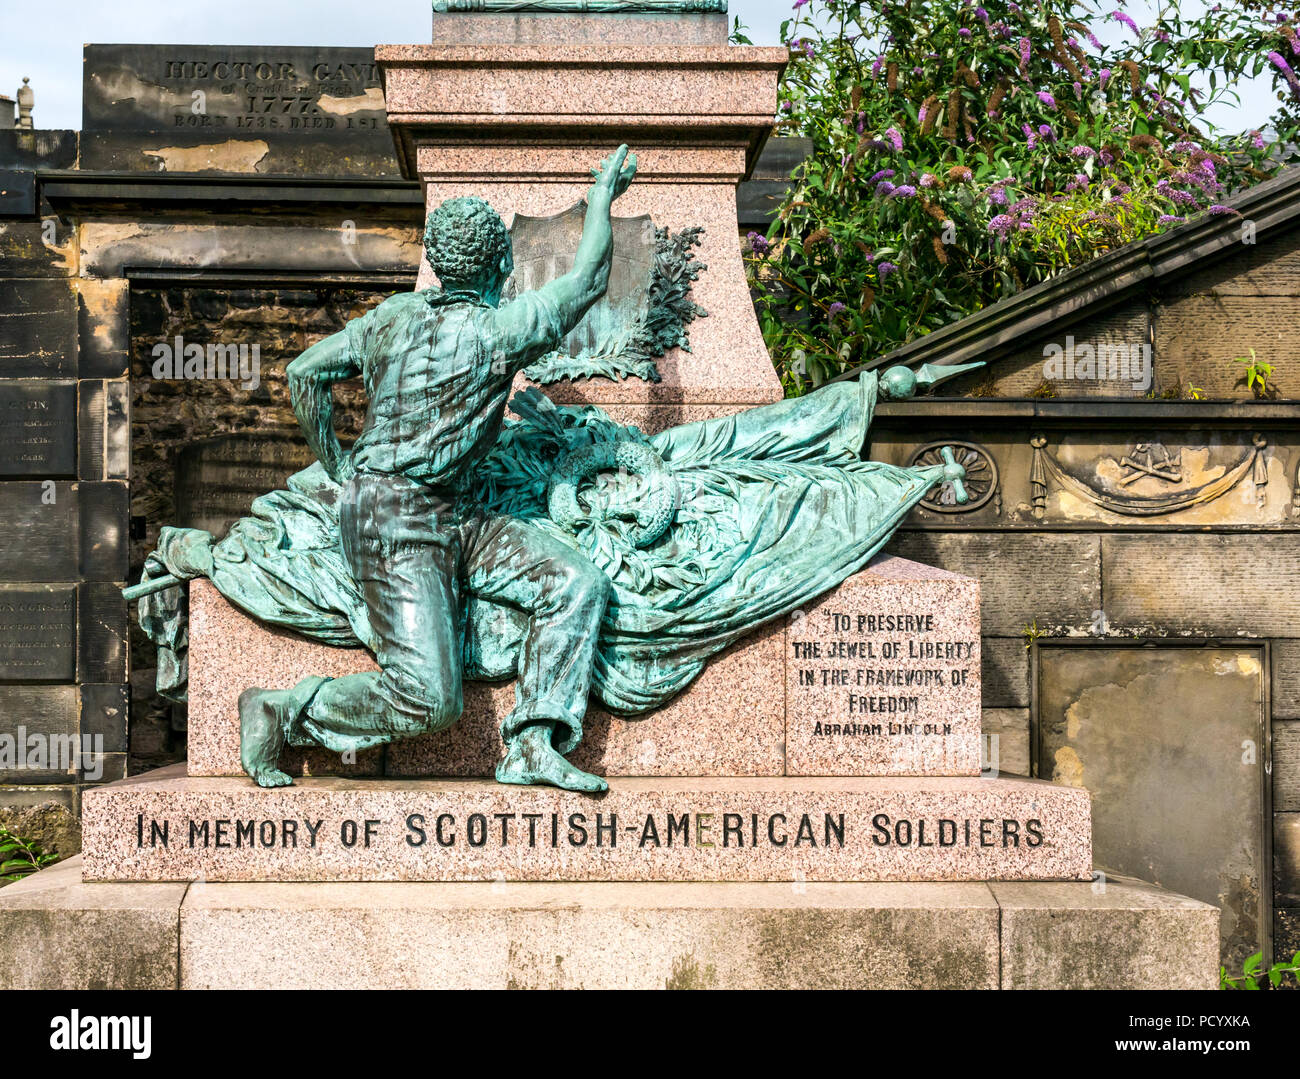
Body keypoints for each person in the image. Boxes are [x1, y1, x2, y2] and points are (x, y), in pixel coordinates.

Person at [236, 145, 640, 792]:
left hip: (452, 512)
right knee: (428, 696)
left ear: (436, 262)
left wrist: (337, 462)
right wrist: (600, 199)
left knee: (575, 581)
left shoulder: (394, 317)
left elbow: (304, 372)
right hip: (395, 521)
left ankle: (533, 743)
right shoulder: (500, 332)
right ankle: (284, 710)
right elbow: (589, 279)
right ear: (503, 265)